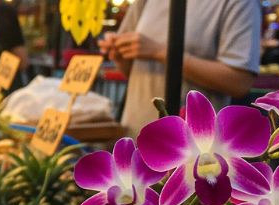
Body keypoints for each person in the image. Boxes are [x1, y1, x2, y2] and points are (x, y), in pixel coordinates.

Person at [99, 0, 261, 135]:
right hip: (137, 133)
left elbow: (240, 82)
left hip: (193, 143)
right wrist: (118, 52)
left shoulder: (238, 3)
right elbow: (132, 71)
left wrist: (161, 52)